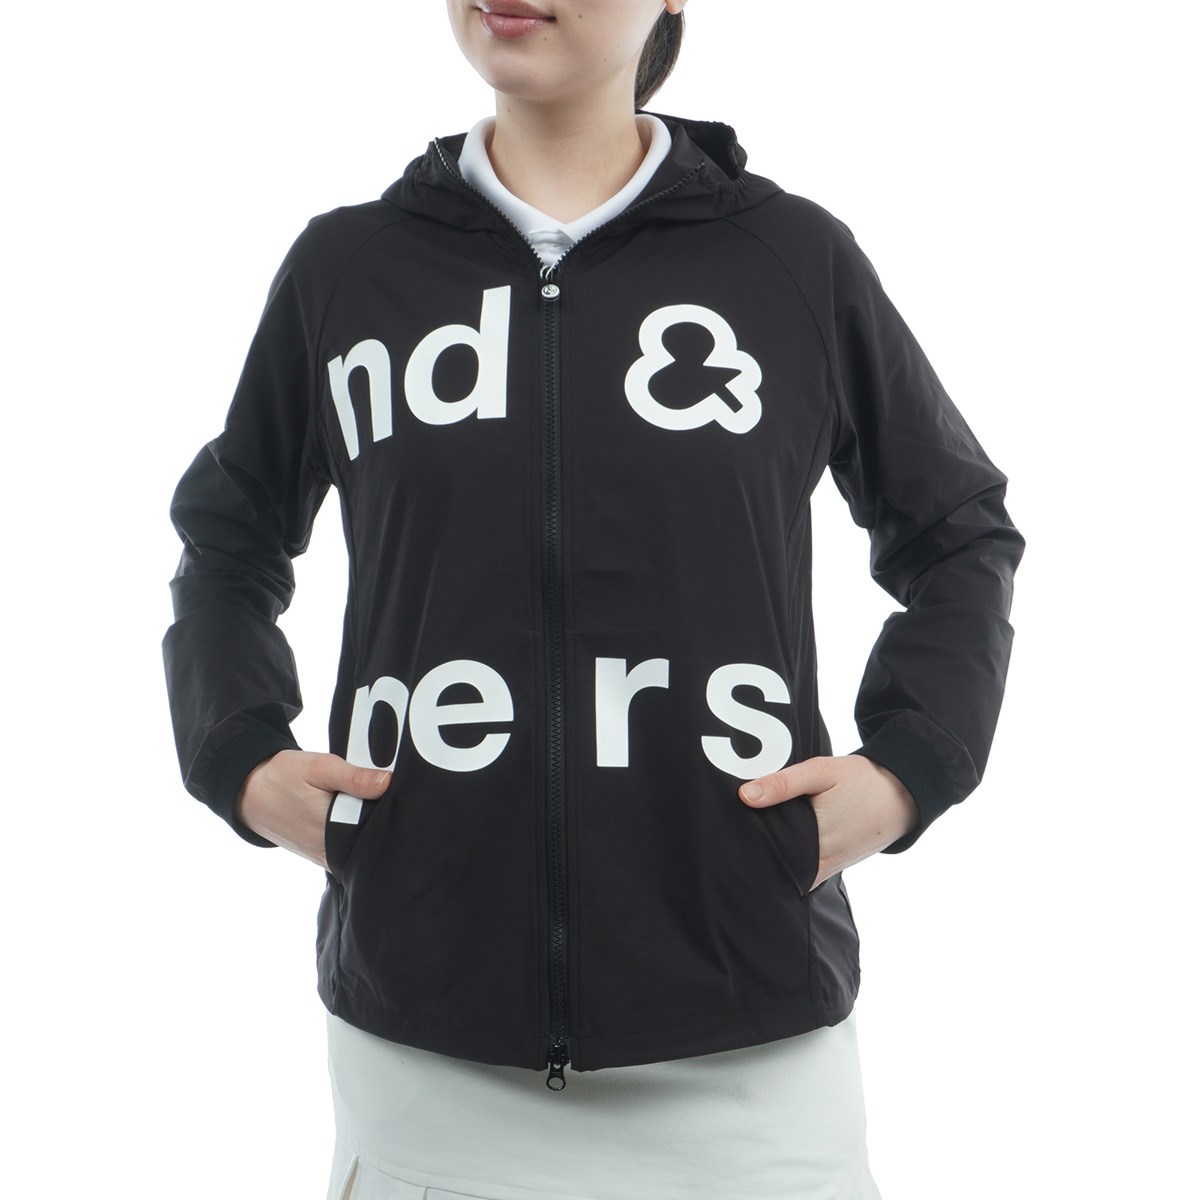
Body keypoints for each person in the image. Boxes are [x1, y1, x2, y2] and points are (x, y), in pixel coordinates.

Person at [162, 2, 1025, 1196]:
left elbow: (958, 534)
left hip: (747, 1061)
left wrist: (910, 766)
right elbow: (226, 542)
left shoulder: (792, 261)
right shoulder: (348, 271)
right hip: (426, 1060)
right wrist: (238, 753)